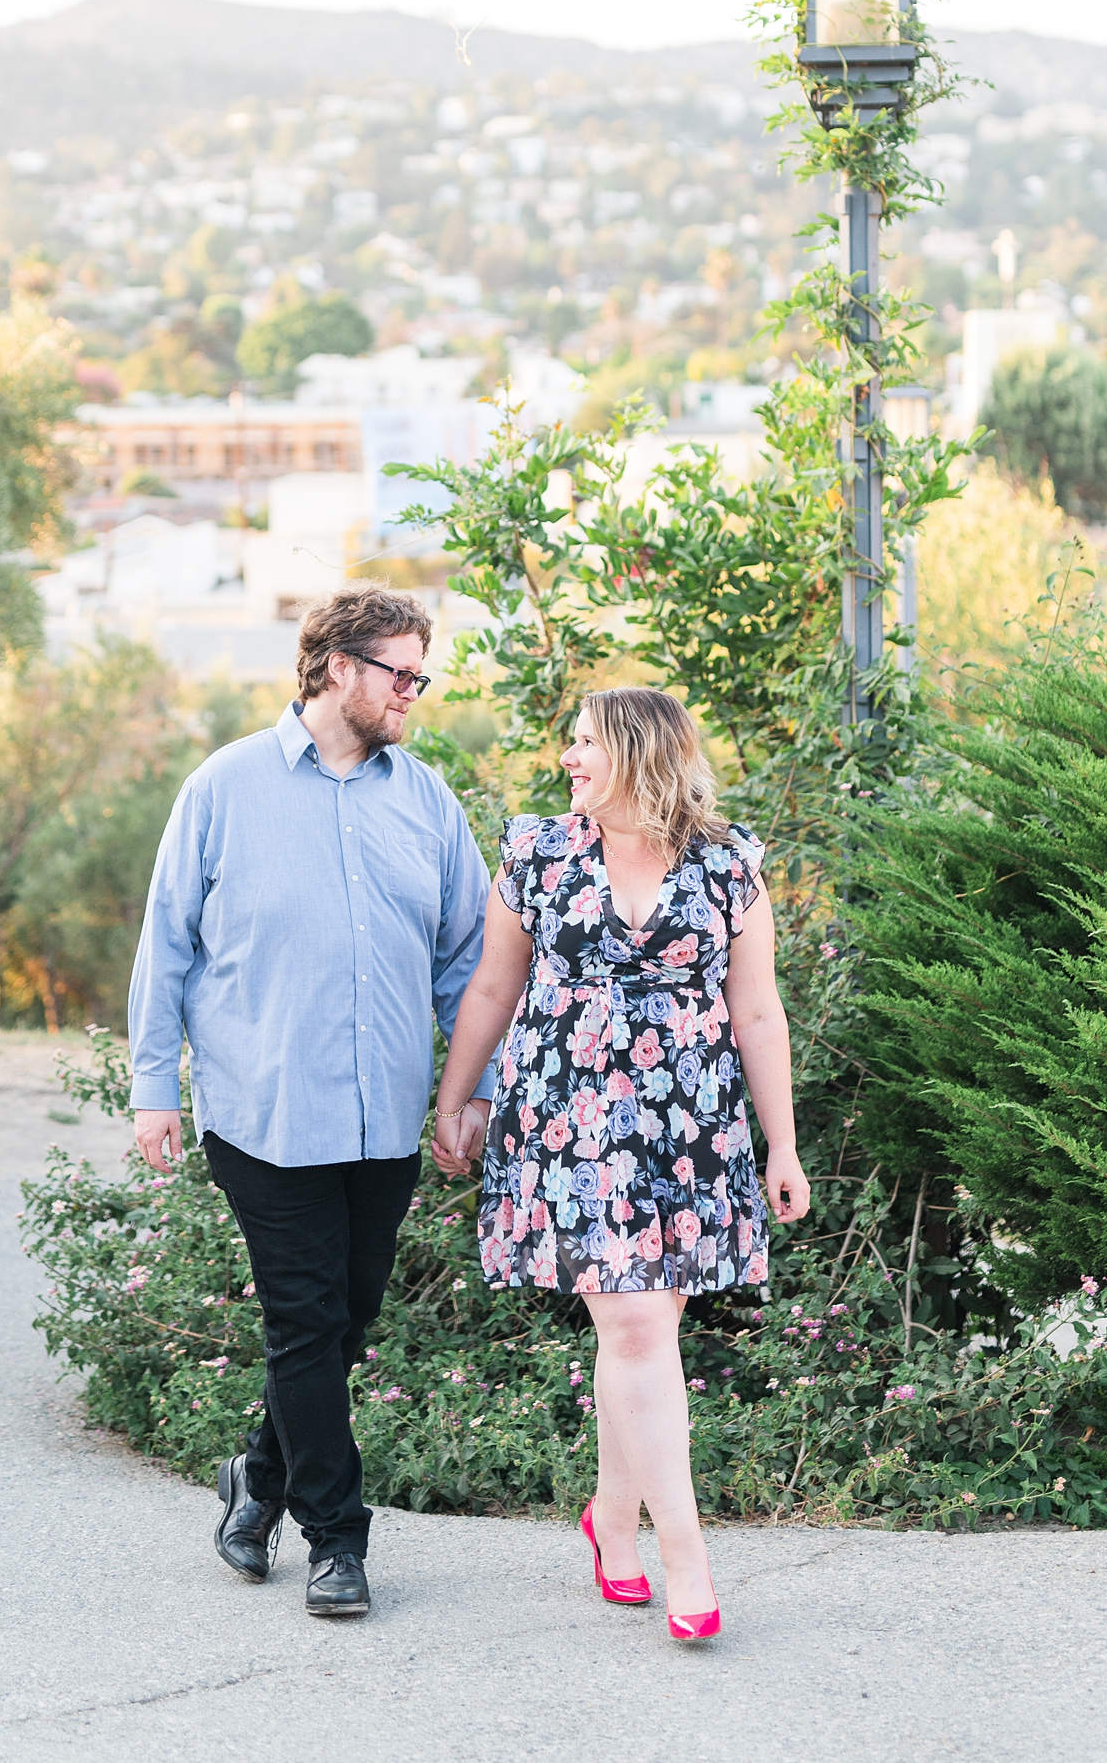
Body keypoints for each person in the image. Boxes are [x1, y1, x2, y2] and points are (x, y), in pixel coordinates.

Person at [128, 585, 492, 1619]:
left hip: (382, 1112)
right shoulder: (225, 786)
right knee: (303, 1318)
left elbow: (466, 960)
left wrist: (470, 1093)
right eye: (400, 671)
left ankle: (258, 1477)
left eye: (421, 674)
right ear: (337, 665)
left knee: (344, 1322)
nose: (413, 692)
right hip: (263, 1108)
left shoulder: (424, 800)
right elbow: (168, 939)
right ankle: (338, 1539)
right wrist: (156, 1085)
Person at [431, 687, 810, 1641]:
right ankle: (689, 1558)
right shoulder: (538, 852)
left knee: (639, 1337)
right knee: (639, 1327)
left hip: (691, 1127)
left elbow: (758, 1011)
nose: (569, 757)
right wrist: (454, 1096)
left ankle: (611, 1518)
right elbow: (493, 983)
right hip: (571, 1120)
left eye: (586, 743)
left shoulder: (730, 864)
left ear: (639, 754)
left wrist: (784, 1143)